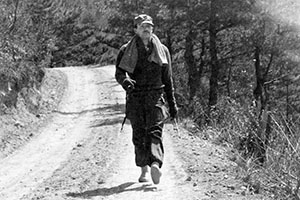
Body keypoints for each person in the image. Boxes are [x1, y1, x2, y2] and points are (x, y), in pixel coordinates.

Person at [115, 14, 178, 185]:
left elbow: (168, 79)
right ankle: (144, 168)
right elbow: (119, 73)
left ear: (153, 29)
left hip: (156, 96)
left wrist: (172, 105)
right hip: (136, 97)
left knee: (155, 131)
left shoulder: (162, 50)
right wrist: (125, 81)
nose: (146, 28)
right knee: (139, 134)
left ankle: (156, 163)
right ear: (135, 29)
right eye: (142, 26)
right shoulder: (125, 50)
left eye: (149, 26)